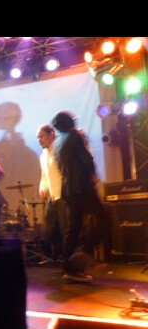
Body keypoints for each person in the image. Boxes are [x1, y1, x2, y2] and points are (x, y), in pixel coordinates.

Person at [52, 111, 104, 282]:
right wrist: (93, 175)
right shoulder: (75, 136)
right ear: (70, 122)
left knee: (73, 229)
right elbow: (86, 159)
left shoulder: (58, 142)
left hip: (69, 191)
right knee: (103, 219)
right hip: (83, 188)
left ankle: (69, 268)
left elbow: (61, 167)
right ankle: (83, 255)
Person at [37, 124, 67, 260]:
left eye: (42, 136)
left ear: (51, 135)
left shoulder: (60, 150)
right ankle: (57, 255)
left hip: (63, 195)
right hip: (52, 196)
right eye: (38, 137)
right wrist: (42, 187)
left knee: (65, 228)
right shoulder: (43, 155)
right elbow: (44, 176)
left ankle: (68, 258)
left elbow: (66, 173)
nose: (39, 140)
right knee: (47, 229)